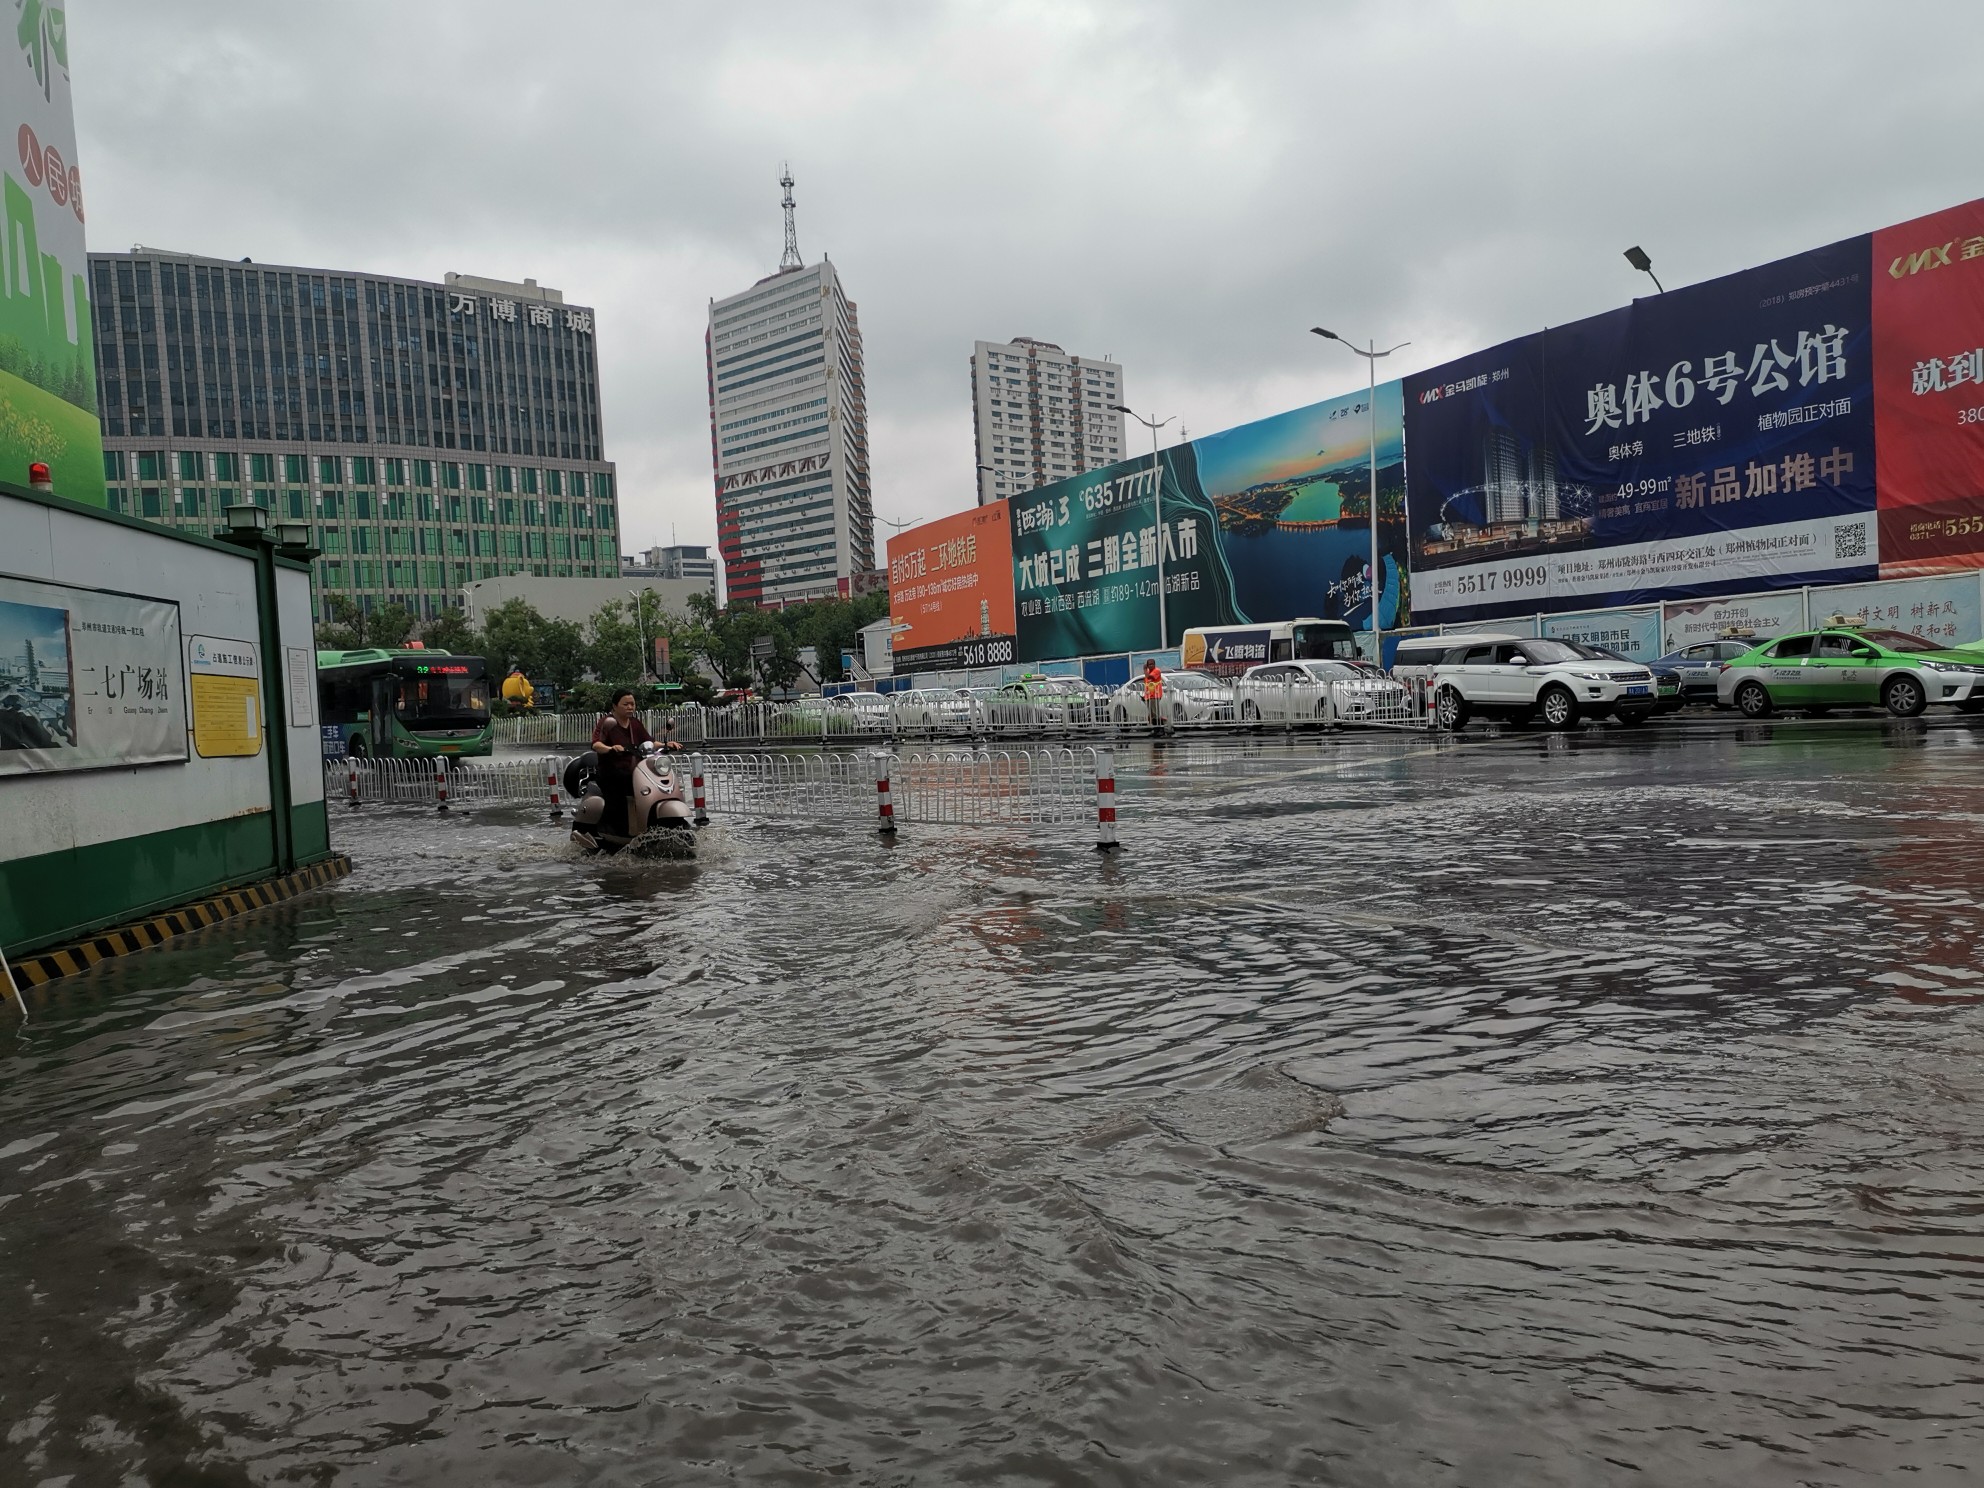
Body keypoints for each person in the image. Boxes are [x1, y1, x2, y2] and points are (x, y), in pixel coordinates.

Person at [590, 689, 652, 835]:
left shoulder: (635, 723)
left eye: (632, 704)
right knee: (620, 788)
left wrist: (667, 745)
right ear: (615, 706)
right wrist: (610, 748)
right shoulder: (607, 723)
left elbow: (649, 741)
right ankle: (614, 830)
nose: (630, 707)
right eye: (626, 704)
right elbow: (596, 744)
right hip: (612, 771)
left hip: (635, 771)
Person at [1141, 659, 1165, 727]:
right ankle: (1155, 728)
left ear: (1155, 664)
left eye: (1152, 664)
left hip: (1155, 695)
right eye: (1150, 664)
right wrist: (1145, 696)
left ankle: (1160, 728)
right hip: (1149, 696)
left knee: (1155, 713)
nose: (1151, 665)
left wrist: (1145, 669)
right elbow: (1147, 684)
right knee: (1151, 714)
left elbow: (1150, 677)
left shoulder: (1157, 670)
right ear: (1147, 665)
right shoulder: (1148, 672)